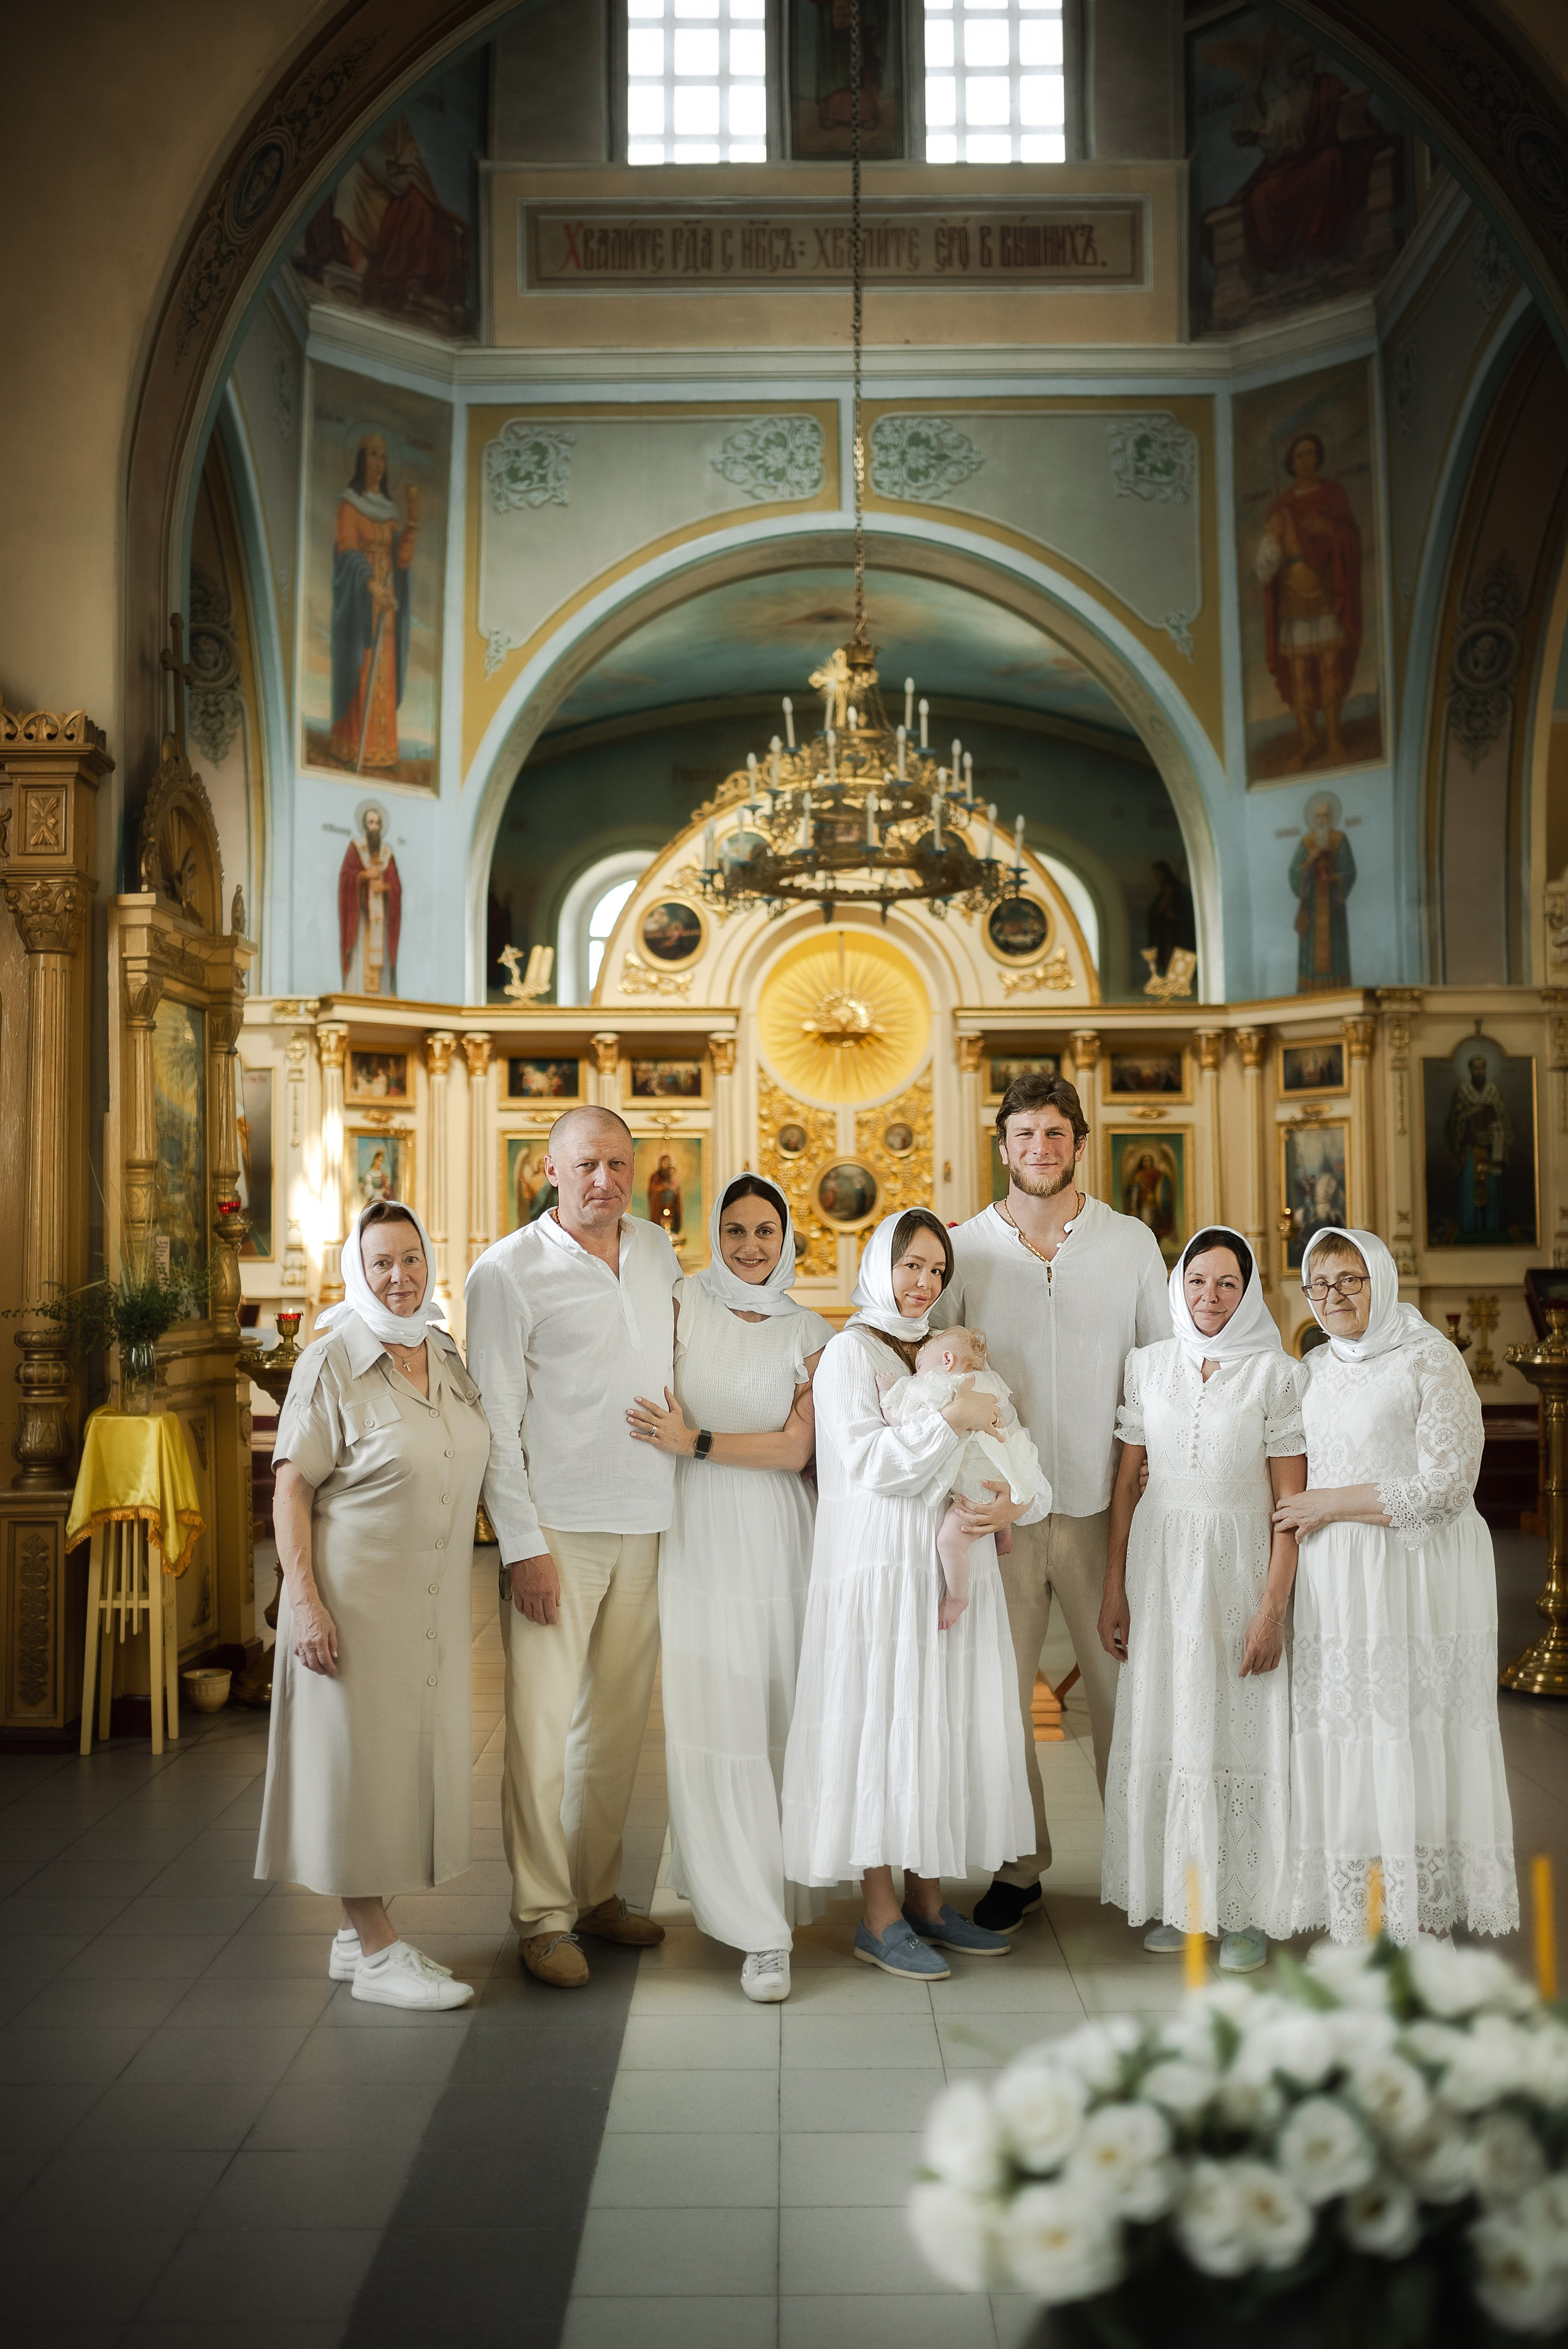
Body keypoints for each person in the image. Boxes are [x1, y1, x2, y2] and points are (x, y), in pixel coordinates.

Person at [932, 1069, 1170, 1936]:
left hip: (1109, 1508)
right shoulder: (966, 1249)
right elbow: (938, 1370)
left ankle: (1144, 1860)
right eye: (1024, 1134)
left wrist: (1149, 1488)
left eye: (1056, 1133)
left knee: (1124, 1688)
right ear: (1003, 1146)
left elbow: (1160, 1372)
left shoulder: (1132, 1242)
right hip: (1000, 1511)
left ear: (1080, 1142)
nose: (1041, 1148)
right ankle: (1019, 1863)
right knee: (998, 1693)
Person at [781, 1210, 1039, 1981]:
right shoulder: (846, 1354)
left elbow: (1000, 1437)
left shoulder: (946, 1350)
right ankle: (878, 1911)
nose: (924, 1283)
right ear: (878, 1267)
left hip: (947, 1561)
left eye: (935, 1270)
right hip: (880, 1564)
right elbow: (865, 1464)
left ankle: (927, 1899)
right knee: (882, 1718)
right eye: (910, 1266)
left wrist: (1007, 1500)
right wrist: (952, 1420)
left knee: (939, 1722)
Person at [255, 1200, 491, 2010]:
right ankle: (382, 1950)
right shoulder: (330, 1359)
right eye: (382, 1260)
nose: (400, 1276)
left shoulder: (445, 1351)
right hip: (350, 1601)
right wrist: (304, 1602)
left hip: (423, 1607)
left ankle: (357, 1939)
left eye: (412, 1258)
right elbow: (291, 1488)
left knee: (392, 1766)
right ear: (359, 1268)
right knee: (350, 1765)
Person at [465, 1106, 680, 1988]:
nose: (606, 1180)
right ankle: (542, 1916)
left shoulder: (658, 1249)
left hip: (647, 1517)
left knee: (617, 1729)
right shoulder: (506, 1272)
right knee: (543, 1730)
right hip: (556, 1526)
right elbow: (495, 1419)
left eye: (620, 1164)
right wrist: (523, 1546)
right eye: (587, 1164)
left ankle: (597, 1894)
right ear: (549, 1170)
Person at [1273, 1227, 1518, 1944]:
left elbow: (1447, 1485)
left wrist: (1328, 1504)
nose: (1333, 1297)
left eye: (1349, 1279)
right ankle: (1357, 1900)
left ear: (1380, 1278)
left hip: (1410, 1570)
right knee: (1346, 1726)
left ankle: (1415, 1908)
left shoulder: (1430, 1359)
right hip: (1335, 1579)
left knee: (1406, 1726)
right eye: (1317, 1284)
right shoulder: (1312, 1365)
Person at [626, 1177, 835, 2003]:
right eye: (738, 1228)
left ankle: (776, 1897)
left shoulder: (812, 1330)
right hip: (701, 1535)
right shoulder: (680, 1304)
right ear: (716, 1232)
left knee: (779, 1718)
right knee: (718, 1720)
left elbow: (796, 1450)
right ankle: (753, 1926)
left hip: (783, 1537)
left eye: (766, 1229)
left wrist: (698, 1438)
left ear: (788, 1238)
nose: (752, 1243)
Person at [1098, 1227, 1308, 1974]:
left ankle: (1244, 1909)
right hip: (1159, 1569)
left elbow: (1291, 1505)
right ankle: (1182, 1900)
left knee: (1235, 1733)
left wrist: (1271, 1608)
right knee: (1169, 1723)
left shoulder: (1276, 1376)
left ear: (1248, 1290)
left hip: (1238, 1569)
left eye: (1226, 1283)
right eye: (1196, 1282)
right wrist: (1113, 1583)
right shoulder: (1147, 1366)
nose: (1209, 1297)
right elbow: (1128, 1483)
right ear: (1177, 1286)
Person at [878, 1327, 1048, 1628]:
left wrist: (887, 1395)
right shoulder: (989, 1384)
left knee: (948, 1543)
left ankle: (957, 1596)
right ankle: (1003, 1526)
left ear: (946, 1360)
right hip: (1004, 1476)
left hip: (974, 1492)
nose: (917, 1374)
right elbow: (1007, 1427)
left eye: (919, 1367)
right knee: (989, 1488)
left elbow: (905, 1426)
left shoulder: (939, 1388)